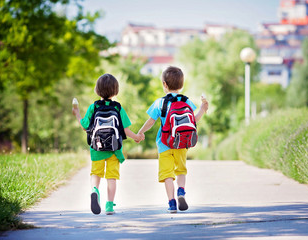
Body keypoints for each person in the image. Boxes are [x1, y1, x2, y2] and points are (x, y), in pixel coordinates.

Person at [137, 66, 208, 213]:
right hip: (182, 143)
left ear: (164, 84)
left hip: (164, 144)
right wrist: (202, 109)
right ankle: (181, 191)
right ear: (182, 85)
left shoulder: (160, 103)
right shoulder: (186, 101)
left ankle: (171, 203)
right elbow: (193, 121)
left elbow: (150, 122)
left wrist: (140, 133)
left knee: (167, 174)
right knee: (180, 170)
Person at [72, 73, 144, 215]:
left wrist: (77, 114)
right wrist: (137, 137)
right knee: (112, 177)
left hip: (96, 148)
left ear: (97, 90)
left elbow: (85, 126)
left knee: (96, 173)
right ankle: (110, 206)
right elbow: (125, 130)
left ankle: (94, 190)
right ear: (115, 91)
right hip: (114, 149)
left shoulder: (94, 107)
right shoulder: (118, 108)